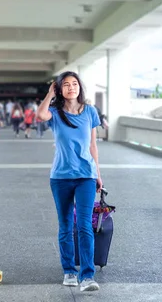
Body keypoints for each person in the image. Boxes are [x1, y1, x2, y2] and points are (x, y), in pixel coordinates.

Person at [36, 71, 103, 292]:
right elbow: (39, 115)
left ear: (80, 88)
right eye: (66, 85)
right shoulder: (55, 113)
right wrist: (49, 94)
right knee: (66, 225)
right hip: (61, 177)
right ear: (60, 89)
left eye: (74, 84)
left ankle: (87, 276)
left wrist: (98, 174)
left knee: (84, 225)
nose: (71, 87)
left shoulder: (90, 112)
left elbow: (93, 146)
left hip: (85, 175)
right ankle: (69, 271)